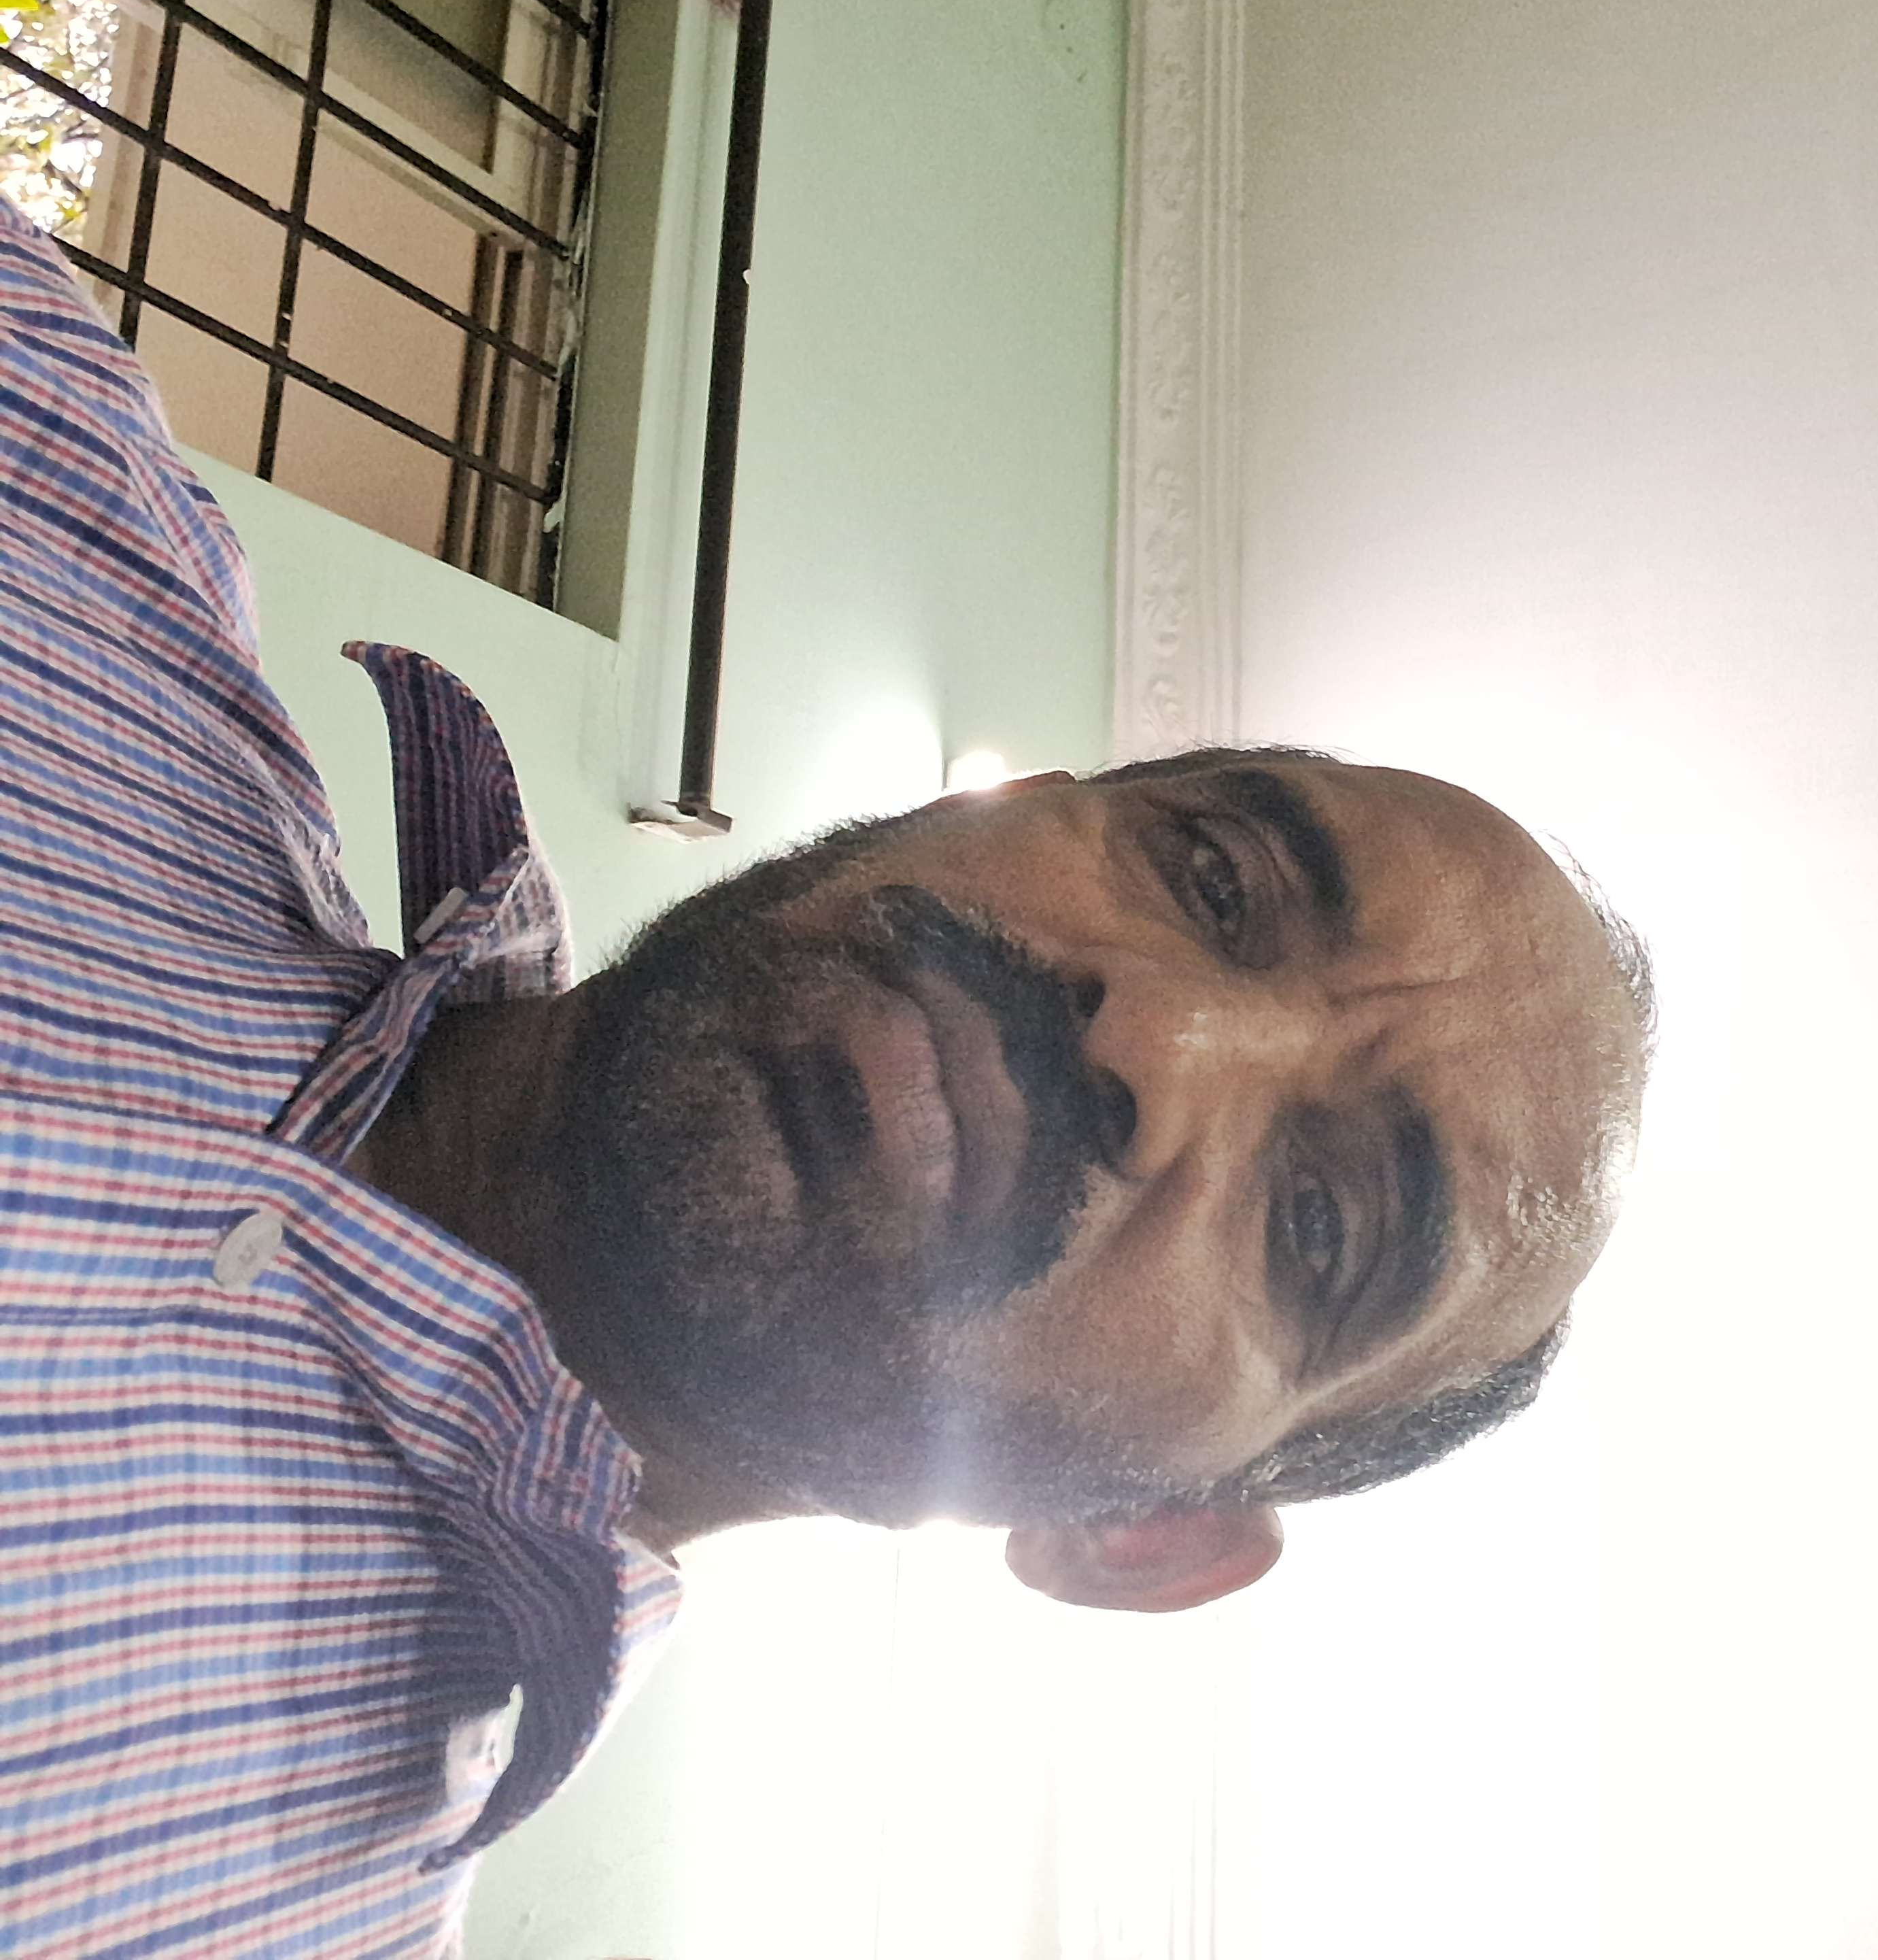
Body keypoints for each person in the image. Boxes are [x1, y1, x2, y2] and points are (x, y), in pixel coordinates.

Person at [0, 211, 1650, 1954]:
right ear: (1006, 803)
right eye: (1216, 881)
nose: (1158, 1039)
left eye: (1318, 1223)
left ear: (1149, 1536)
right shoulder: (61, 494)